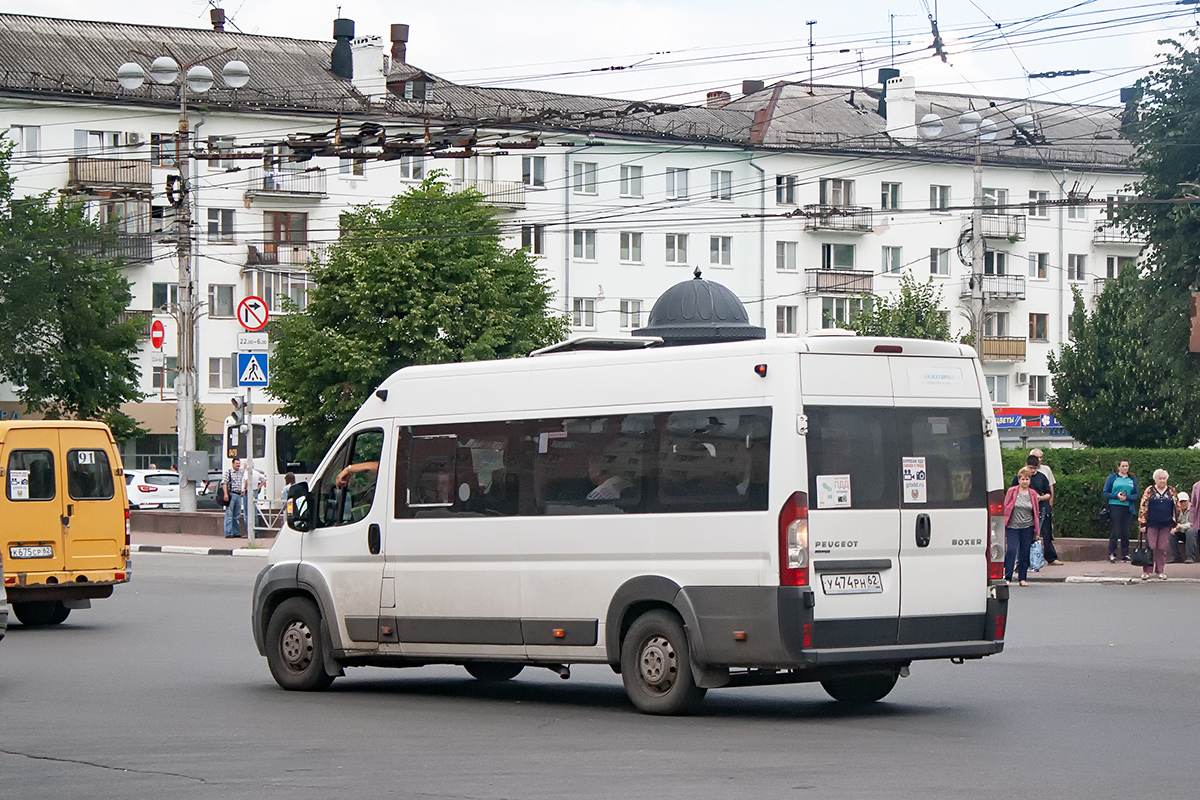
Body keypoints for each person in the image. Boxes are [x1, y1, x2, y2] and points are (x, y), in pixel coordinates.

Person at [1012, 454, 1059, 566]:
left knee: (1039, 534)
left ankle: (1039, 559)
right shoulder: (1019, 477)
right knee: (1024, 535)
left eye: (1035, 468)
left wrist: (1041, 498)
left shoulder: (1042, 477)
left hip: (1040, 508)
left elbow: (1049, 493)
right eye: (1030, 468)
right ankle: (1022, 562)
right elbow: (1013, 492)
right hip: (1024, 510)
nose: (1032, 471)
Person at [1003, 467, 1041, 587]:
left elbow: (1035, 511)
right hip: (1012, 526)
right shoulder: (1012, 491)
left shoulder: (1033, 494)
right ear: (1018, 480)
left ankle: (1022, 578)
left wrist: (1037, 531)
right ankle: (1008, 576)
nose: (1025, 481)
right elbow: (1005, 507)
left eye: (1027, 479)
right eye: (1022, 479)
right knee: (1011, 550)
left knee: (1024, 553)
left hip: (1027, 527)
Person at [1138, 468, 1179, 580]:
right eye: (1160, 478)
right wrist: (1142, 523)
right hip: (1151, 523)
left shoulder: (1171, 491)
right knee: (1151, 546)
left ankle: (1160, 570)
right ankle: (1147, 571)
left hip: (1166, 524)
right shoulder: (1150, 490)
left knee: (1162, 547)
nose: (1162, 481)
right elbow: (1143, 506)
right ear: (1155, 479)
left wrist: (1175, 524)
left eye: (1164, 478)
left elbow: (1177, 507)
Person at [1029, 448, 1064, 565]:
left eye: (1040, 458)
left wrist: (1050, 502)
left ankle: (1051, 557)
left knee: (1047, 531)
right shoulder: (1024, 473)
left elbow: (1050, 487)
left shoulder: (1045, 471)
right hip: (1028, 506)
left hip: (1043, 504)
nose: (1039, 460)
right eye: (1036, 458)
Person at [1103, 458, 1138, 563]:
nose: (1125, 468)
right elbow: (1105, 493)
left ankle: (1125, 553)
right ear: (1118, 467)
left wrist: (1127, 498)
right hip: (1115, 506)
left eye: (1126, 466)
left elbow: (1136, 494)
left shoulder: (1132, 479)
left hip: (1127, 506)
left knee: (1125, 531)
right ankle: (1112, 553)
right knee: (1115, 530)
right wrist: (1116, 496)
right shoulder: (1112, 478)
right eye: (1123, 466)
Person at [222, 457, 245, 539]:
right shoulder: (228, 472)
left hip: (239, 495)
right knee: (229, 514)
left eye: (239, 463)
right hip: (231, 495)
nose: (238, 465)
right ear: (232, 464)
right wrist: (226, 494)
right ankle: (228, 532)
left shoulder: (242, 472)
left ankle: (236, 532)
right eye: (236, 463)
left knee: (237, 515)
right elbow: (224, 483)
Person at [1170, 491, 1195, 564]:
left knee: (1190, 531)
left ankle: (1190, 557)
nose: (1183, 503)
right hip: (1182, 532)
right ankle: (1175, 557)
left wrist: (1180, 526)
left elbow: (1193, 523)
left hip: (1195, 532)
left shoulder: (1194, 509)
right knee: (1171, 533)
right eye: (1181, 502)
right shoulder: (1177, 510)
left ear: (1188, 500)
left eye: (1185, 501)